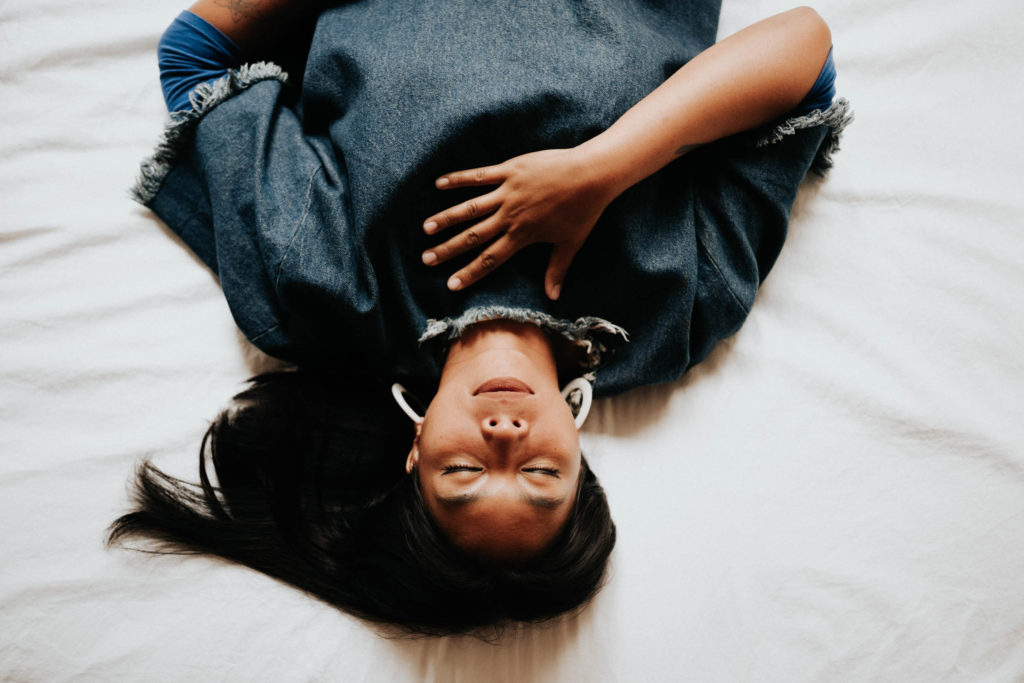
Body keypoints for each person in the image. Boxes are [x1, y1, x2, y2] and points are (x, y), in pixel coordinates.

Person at [110, 0, 850, 635]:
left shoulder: (323, 290)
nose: (505, 437)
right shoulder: (674, 314)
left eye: (464, 472)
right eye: (540, 473)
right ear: (581, 461)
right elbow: (803, 52)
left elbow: (197, 58)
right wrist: (604, 166)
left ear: (415, 453)